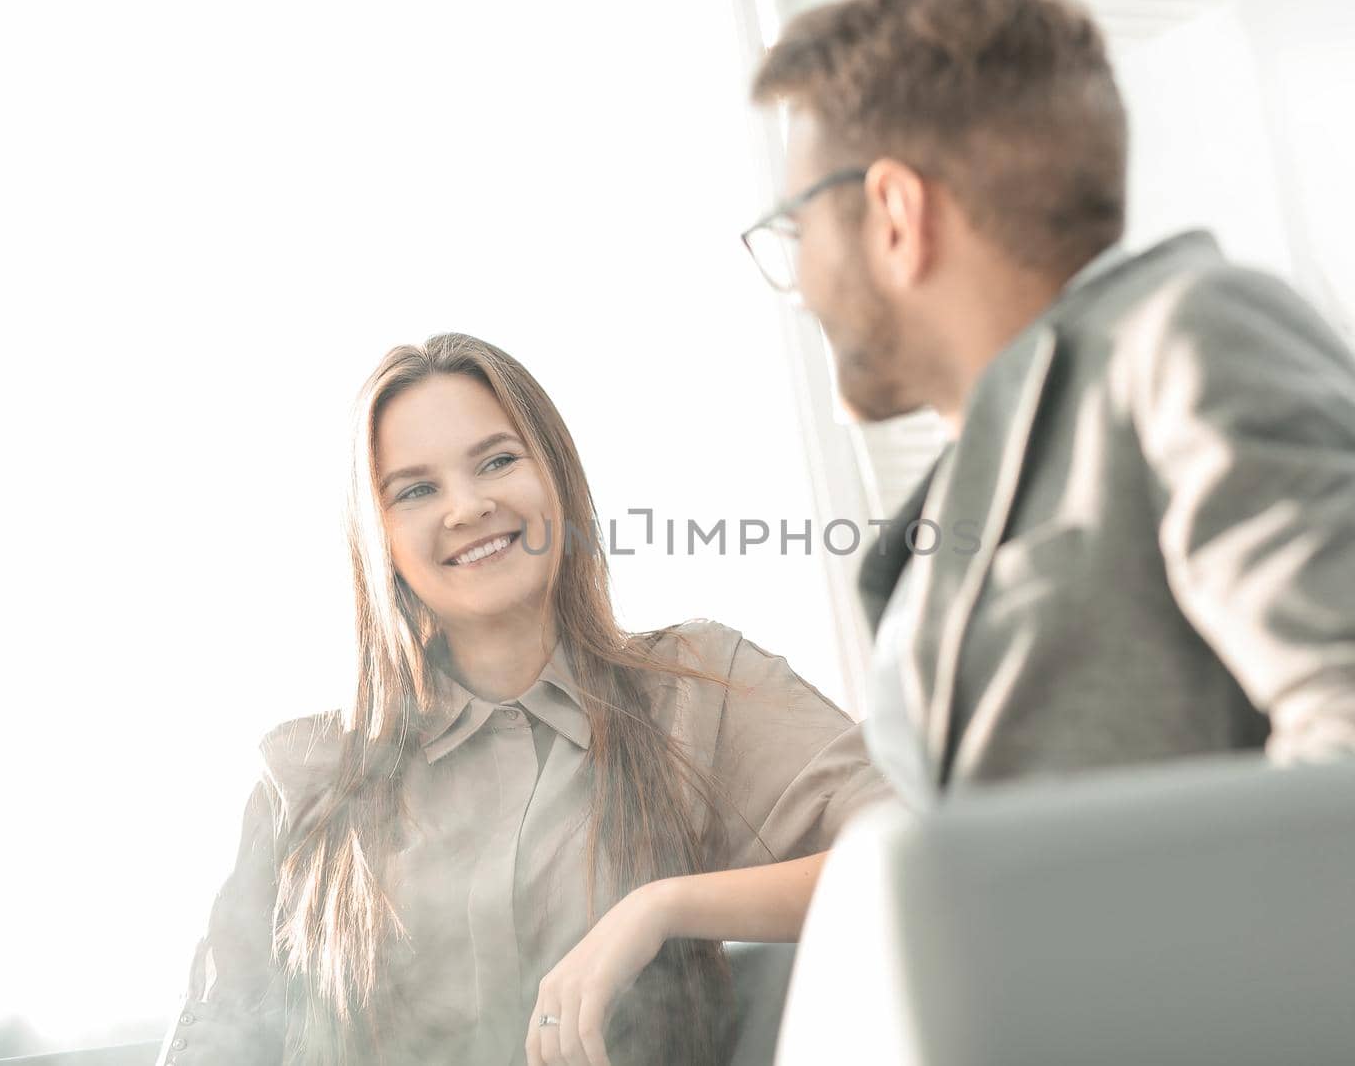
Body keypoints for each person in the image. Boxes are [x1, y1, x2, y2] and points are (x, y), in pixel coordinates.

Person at [742, 0, 1355, 807]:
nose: (800, 286)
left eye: (798, 229)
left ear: (896, 215)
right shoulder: (974, 472)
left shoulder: (1191, 337)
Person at [156, 334, 888, 1066]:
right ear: (378, 541)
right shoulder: (306, 775)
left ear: (557, 477)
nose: (468, 506)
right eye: (416, 489)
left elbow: (916, 845)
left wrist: (662, 906)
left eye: (497, 461)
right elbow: (216, 1039)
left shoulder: (693, 695)